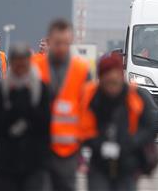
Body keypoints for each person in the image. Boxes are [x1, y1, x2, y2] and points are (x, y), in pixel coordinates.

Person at [81, 53, 156, 191]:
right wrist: (97, 143)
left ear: (121, 78)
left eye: (115, 83)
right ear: (100, 79)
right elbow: (82, 126)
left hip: (128, 164)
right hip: (99, 164)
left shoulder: (136, 97)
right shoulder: (91, 98)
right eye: (107, 83)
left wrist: (132, 141)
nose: (112, 88)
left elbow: (150, 128)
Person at [32, 18, 90, 191]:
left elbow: (87, 109)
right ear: (49, 41)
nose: (62, 47)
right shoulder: (35, 67)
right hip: (39, 147)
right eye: (58, 43)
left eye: (66, 43)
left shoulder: (81, 70)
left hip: (68, 150)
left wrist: (82, 144)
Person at [0, 43, 51, 191]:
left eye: (23, 64)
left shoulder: (40, 88)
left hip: (34, 160)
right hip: (6, 161)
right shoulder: (2, 88)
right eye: (16, 63)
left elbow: (45, 123)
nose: (20, 69)